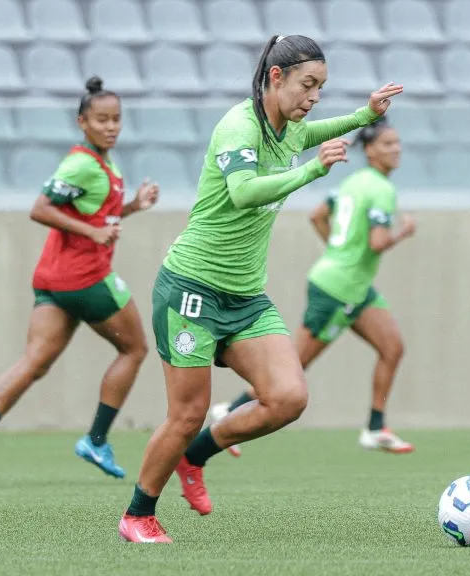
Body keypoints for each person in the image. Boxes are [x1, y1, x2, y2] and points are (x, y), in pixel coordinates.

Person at [117, 34, 402, 544]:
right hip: (192, 290)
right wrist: (313, 169)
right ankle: (138, 515)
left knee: (288, 398)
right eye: (307, 84)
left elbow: (319, 129)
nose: (314, 97)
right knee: (187, 414)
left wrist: (365, 114)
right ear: (275, 77)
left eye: (320, 87)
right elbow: (244, 192)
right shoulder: (239, 126)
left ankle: (194, 458)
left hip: (246, 298)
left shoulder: (289, 129)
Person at [0, 77, 159, 489]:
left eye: (116, 119)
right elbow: (41, 208)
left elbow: (98, 217)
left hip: (52, 279)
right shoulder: (81, 163)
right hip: (85, 277)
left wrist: (133, 206)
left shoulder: (102, 163)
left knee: (36, 361)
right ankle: (96, 440)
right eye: (101, 120)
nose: (111, 127)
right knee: (135, 349)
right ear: (82, 122)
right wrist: (92, 233)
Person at [215, 117, 417, 457]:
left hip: (353, 285)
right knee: (293, 367)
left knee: (392, 347)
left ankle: (375, 427)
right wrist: (403, 232)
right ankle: (229, 411)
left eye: (397, 143)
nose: (396, 149)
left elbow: (317, 215)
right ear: (369, 150)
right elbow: (378, 241)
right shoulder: (382, 189)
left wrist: (337, 251)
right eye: (387, 144)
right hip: (339, 289)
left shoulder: (353, 181)